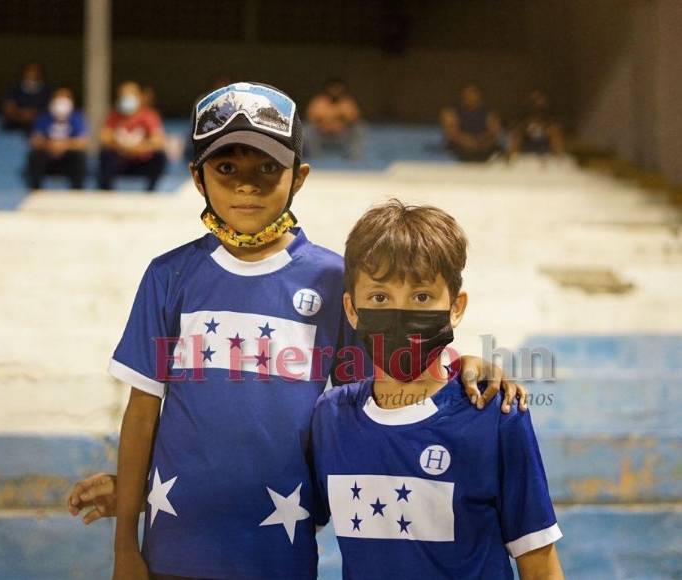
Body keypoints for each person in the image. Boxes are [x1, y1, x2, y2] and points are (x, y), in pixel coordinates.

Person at [69, 81, 530, 580]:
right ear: (198, 177)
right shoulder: (169, 276)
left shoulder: (333, 280)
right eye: (227, 168)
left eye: (267, 168)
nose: (247, 186)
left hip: (279, 555)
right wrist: (125, 541)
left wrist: (463, 366)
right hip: (174, 549)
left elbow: (388, 381)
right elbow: (142, 412)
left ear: (299, 176)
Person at [310, 200, 564, 579]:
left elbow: (541, 567)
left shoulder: (495, 413)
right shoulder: (330, 418)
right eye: (380, 298)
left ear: (456, 307)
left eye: (421, 297)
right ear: (351, 309)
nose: (400, 315)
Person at [98, 81, 167, 191]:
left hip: (142, 161)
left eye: (131, 94)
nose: (127, 98)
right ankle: (106, 191)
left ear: (140, 97)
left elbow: (158, 141)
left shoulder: (149, 116)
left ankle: (151, 192)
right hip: (120, 161)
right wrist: (123, 148)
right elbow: (104, 138)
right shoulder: (113, 117)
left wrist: (140, 148)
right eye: (124, 95)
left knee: (159, 157)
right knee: (105, 155)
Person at [26, 88, 88, 190]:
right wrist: (50, 145)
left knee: (79, 156)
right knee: (35, 156)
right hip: (48, 158)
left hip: (67, 159)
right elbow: (35, 140)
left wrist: (64, 145)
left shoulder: (77, 117)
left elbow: (82, 142)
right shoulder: (44, 117)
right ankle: (35, 190)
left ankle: (77, 190)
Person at [440, 83, 502, 162]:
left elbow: (495, 132)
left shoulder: (489, 112)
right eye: (468, 93)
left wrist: (482, 141)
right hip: (459, 147)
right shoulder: (451, 111)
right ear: (462, 95)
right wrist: (467, 141)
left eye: (474, 93)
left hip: (483, 146)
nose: (471, 96)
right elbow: (451, 133)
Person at [306, 79, 364, 160]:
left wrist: (338, 125)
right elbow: (311, 119)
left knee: (359, 127)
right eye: (333, 88)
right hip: (322, 134)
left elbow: (354, 119)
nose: (335, 91)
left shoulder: (347, 103)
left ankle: (354, 156)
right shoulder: (319, 102)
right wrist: (327, 125)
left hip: (341, 135)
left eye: (338, 89)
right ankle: (314, 156)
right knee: (308, 128)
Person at [509, 89, 565, 157]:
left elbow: (559, 152)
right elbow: (513, 152)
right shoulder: (520, 128)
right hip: (525, 160)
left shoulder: (552, 127)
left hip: (547, 160)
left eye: (540, 100)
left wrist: (548, 133)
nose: (537, 104)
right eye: (533, 101)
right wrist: (523, 132)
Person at [2, 62, 51, 134]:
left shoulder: (47, 92)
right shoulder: (14, 89)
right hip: (14, 128)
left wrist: (33, 115)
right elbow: (8, 109)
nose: (32, 73)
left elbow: (50, 112)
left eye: (35, 71)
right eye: (29, 70)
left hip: (39, 129)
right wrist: (21, 115)